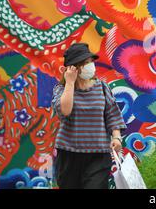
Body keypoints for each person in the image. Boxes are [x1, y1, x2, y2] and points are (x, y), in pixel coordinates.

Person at [51, 43, 127, 189]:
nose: (90, 65)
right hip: (69, 154)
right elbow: (64, 111)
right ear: (74, 67)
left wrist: (116, 137)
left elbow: (112, 114)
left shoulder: (102, 87)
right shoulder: (61, 89)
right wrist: (70, 83)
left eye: (90, 61)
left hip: (98, 154)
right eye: (85, 63)